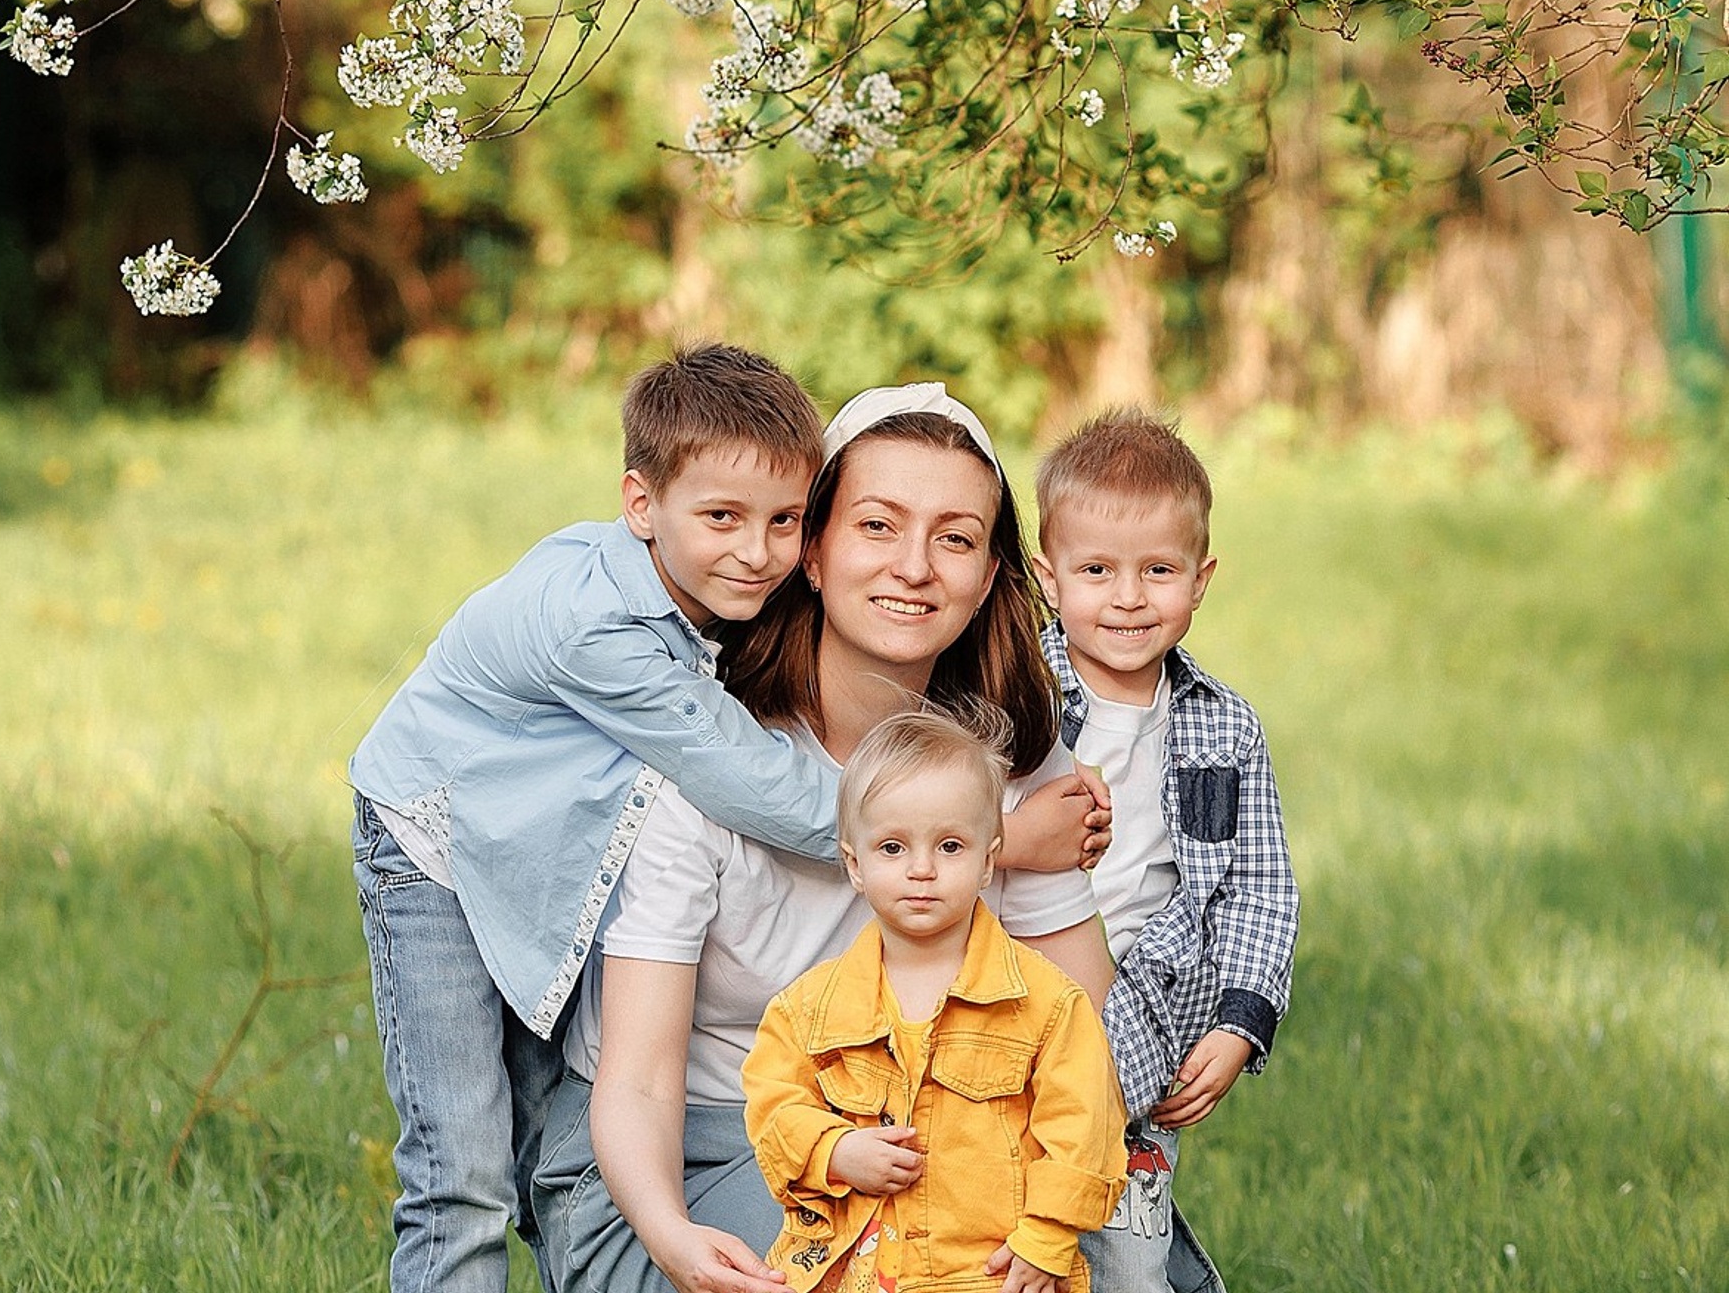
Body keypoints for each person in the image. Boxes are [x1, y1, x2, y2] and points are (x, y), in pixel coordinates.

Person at [533, 383, 1116, 1293]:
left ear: (994, 575)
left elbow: (1082, 1033)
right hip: (683, 1152)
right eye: (877, 526)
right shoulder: (712, 764)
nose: (915, 568)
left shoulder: (1016, 764)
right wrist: (671, 1235)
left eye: (956, 538)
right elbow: (640, 1080)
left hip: (945, 1152)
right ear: (812, 551)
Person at [350, 343, 843, 1293]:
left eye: (786, 521)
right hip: (434, 839)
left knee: (548, 1145)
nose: (758, 551)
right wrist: (971, 829)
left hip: (538, 839)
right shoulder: (596, 627)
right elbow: (753, 785)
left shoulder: (682, 581)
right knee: (462, 1165)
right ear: (641, 505)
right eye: (723, 518)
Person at [1032, 408, 1301, 1293]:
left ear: (1201, 577)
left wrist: (1239, 1021)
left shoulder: (1224, 726)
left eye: (1159, 571)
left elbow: (1259, 890)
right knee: (1003, 1234)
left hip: (1147, 1029)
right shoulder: (1013, 696)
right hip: (1015, 1018)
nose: (1128, 597)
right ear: (1048, 577)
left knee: (1124, 1259)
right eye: (1097, 571)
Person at [741, 704, 1128, 1293]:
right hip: (853, 1273)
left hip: (990, 1274)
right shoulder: (807, 1010)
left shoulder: (1046, 1004)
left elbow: (1086, 1125)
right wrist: (834, 1151)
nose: (921, 870)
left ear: (987, 860)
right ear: (855, 864)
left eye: (949, 847)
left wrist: (1048, 1237)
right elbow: (772, 1105)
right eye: (893, 848)